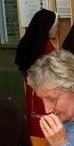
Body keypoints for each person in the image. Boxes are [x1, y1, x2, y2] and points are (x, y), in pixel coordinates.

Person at [15, 8, 59, 137]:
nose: (57, 29)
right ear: (48, 28)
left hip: (32, 94)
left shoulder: (27, 44)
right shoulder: (46, 48)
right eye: (56, 26)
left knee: (35, 128)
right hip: (47, 95)